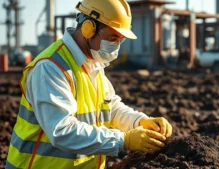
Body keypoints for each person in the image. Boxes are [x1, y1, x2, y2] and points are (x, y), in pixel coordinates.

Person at [6, 0, 172, 168]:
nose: (115, 46)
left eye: (120, 40)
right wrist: (124, 140)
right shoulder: (50, 67)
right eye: (112, 38)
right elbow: (62, 131)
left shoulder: (93, 63)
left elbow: (110, 108)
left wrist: (139, 121)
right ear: (88, 28)